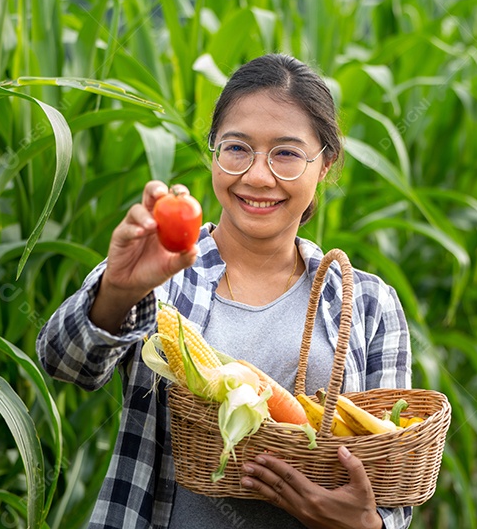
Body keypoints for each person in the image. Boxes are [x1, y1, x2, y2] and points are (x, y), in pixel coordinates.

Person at [37, 54, 413, 529]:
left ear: (326, 165)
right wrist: (119, 287)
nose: (257, 176)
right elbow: (62, 361)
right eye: (237, 148)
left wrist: (363, 526)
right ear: (212, 152)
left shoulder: (369, 304)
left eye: (287, 153)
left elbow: (394, 488)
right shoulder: (165, 274)